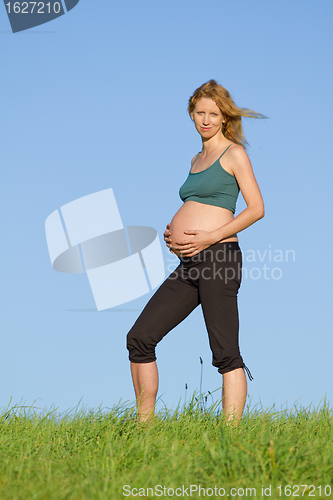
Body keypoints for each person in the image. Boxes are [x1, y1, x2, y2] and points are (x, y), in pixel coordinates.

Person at [127, 79, 265, 424]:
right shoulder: (195, 158)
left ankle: (230, 435)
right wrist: (174, 234)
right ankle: (144, 426)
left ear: (224, 118)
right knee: (140, 338)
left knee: (224, 352)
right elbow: (196, 206)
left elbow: (256, 208)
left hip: (219, 259)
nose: (206, 119)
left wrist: (209, 236)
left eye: (213, 114)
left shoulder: (234, 153)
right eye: (200, 112)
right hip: (189, 263)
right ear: (191, 114)